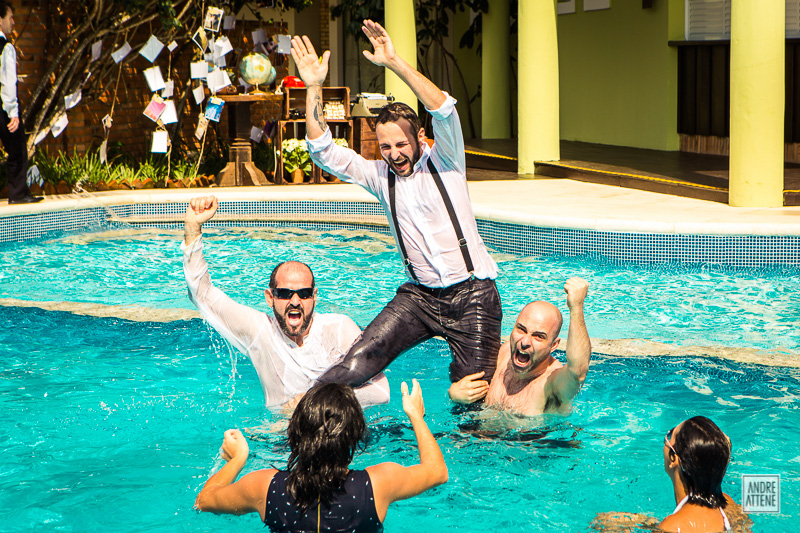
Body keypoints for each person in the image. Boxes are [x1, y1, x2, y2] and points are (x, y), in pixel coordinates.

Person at [290, 20, 502, 391]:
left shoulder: (447, 161)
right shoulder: (378, 176)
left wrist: (394, 62)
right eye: (385, 147)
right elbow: (323, 151)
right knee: (353, 366)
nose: (394, 155)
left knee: (474, 392)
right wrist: (313, 87)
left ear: (420, 136)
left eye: (401, 145)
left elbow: (444, 108)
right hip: (418, 297)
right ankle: (306, 416)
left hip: (472, 294)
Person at [183, 195, 389, 408]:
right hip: (281, 436)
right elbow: (202, 295)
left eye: (304, 293)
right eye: (284, 293)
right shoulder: (260, 332)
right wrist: (192, 229)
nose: (295, 301)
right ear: (270, 297)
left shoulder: (339, 329)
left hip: (341, 436)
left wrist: (313, 401)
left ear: (315, 296)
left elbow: (381, 392)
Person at [195, 380, 448, 531]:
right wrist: (416, 416)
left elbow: (204, 500)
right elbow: (437, 471)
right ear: (354, 437)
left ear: (296, 433)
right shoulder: (378, 484)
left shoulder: (265, 487)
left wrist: (238, 459)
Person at [448, 277, 591, 415]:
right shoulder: (503, 353)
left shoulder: (552, 383)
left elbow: (578, 371)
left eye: (538, 336)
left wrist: (577, 307)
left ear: (553, 345)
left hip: (538, 439)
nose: (525, 342)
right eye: (521, 329)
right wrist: (454, 393)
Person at [659, 416, 750, 533]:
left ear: (674, 459)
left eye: (669, 436)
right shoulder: (729, 506)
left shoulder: (672, 527)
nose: (666, 441)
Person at [0, 2, 40, 205]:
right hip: (2, 107)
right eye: (10, 18)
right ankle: (18, 195)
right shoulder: (6, 47)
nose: (13, 22)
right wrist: (13, 111)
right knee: (17, 149)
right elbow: (8, 82)